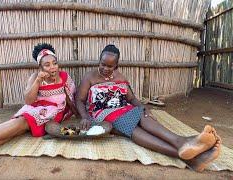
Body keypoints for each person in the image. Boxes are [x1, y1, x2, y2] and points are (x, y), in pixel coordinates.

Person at [76, 44, 221, 172]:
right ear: (99, 61)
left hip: (124, 109)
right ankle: (184, 145)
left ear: (116, 66)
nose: (105, 68)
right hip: (103, 115)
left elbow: (131, 99)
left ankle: (190, 155)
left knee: (144, 116)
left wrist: (144, 108)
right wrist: (84, 117)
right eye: (103, 64)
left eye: (110, 66)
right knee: (133, 127)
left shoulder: (120, 77)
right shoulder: (90, 77)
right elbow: (80, 100)